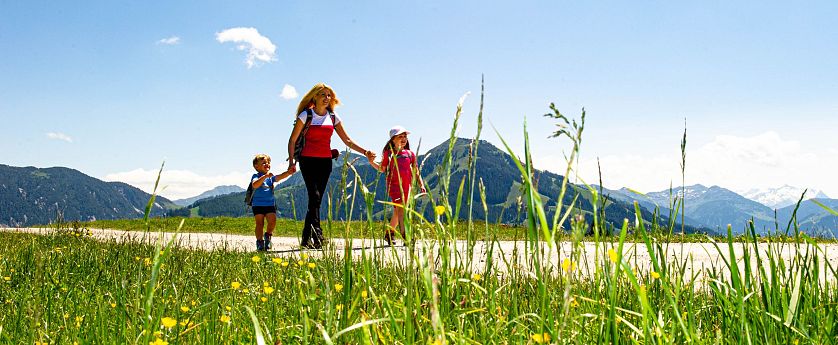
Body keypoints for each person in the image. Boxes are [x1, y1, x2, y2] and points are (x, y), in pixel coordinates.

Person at [287, 83, 376, 249]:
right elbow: (292, 140)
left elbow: (347, 140)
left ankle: (306, 239)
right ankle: (318, 235)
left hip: (325, 162)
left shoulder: (333, 117)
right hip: (307, 160)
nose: (326, 98)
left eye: (329, 95)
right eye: (323, 95)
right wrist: (292, 162)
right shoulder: (306, 115)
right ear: (314, 97)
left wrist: (365, 152)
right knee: (314, 197)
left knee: (316, 200)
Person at [369, 125, 425, 245]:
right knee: (401, 211)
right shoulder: (389, 154)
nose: (404, 138)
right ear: (393, 139)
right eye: (400, 136)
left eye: (405, 136)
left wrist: (421, 184)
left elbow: (415, 170)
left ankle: (389, 234)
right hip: (394, 186)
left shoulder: (410, 154)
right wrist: (371, 162)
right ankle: (406, 237)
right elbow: (382, 169)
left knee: (397, 211)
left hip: (407, 187)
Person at [250, 154, 296, 251]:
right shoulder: (256, 176)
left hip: (270, 204)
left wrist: (289, 173)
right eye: (264, 163)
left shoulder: (271, 177)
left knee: (272, 221)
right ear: (256, 166)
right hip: (257, 204)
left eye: (268, 162)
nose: (267, 164)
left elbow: (279, 177)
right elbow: (255, 185)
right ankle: (259, 242)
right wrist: (265, 177)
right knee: (259, 224)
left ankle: (268, 235)